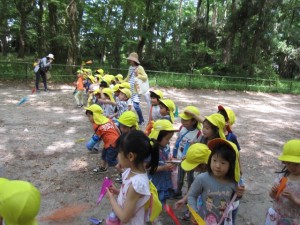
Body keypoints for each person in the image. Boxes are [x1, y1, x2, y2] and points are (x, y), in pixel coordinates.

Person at [106, 130, 159, 225]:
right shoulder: (130, 171)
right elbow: (131, 196)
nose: (117, 156)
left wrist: (111, 199)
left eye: (119, 152)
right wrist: (118, 191)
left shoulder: (136, 185)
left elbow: (124, 218)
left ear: (130, 156)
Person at [188, 138, 245, 225]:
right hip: (203, 220)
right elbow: (192, 195)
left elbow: (233, 199)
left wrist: (239, 195)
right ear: (210, 159)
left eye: (223, 163)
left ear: (231, 165)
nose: (217, 166)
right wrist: (194, 212)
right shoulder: (202, 179)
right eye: (214, 160)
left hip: (223, 221)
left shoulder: (234, 182)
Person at [172, 106, 203, 199]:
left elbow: (199, 147)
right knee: (180, 177)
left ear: (194, 121)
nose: (182, 121)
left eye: (186, 120)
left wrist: (194, 144)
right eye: (182, 119)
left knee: (190, 177)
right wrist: (175, 154)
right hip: (180, 157)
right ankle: (178, 192)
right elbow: (178, 140)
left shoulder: (198, 133)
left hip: (190, 160)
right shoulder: (182, 128)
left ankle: (190, 194)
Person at [267, 139, 300, 225]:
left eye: (296, 164)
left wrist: (293, 199)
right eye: (289, 163)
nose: (292, 167)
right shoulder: (282, 177)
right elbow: (273, 196)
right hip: (276, 216)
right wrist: (273, 192)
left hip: (294, 220)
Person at [174, 143, 211, 218]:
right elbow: (194, 187)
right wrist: (184, 199)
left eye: (193, 166)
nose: (192, 169)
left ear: (203, 165)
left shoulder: (210, 176)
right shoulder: (201, 173)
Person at [148, 120, 178, 204]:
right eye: (167, 139)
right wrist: (164, 167)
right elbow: (149, 168)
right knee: (155, 203)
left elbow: (163, 159)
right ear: (158, 136)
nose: (168, 141)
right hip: (156, 185)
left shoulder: (163, 148)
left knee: (161, 202)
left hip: (163, 182)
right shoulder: (151, 150)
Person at [85, 104, 120, 173]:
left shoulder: (96, 126)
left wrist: (90, 145)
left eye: (89, 116)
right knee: (104, 154)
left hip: (111, 144)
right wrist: (120, 137)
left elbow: (97, 138)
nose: (88, 118)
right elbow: (116, 128)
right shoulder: (108, 120)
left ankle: (123, 173)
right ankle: (103, 167)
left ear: (95, 115)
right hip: (115, 141)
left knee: (111, 160)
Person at [124, 52, 148, 125]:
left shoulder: (140, 68)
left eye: (131, 59)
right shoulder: (130, 67)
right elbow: (128, 77)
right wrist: (122, 82)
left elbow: (145, 77)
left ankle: (142, 120)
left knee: (136, 105)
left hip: (137, 89)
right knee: (128, 105)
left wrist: (138, 76)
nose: (130, 61)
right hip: (130, 88)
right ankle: (128, 119)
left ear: (134, 60)